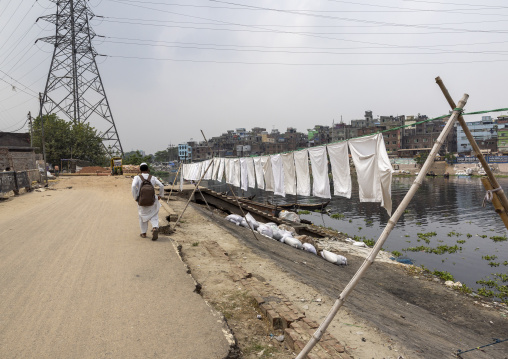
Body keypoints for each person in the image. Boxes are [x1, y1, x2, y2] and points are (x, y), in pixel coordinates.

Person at [131, 163, 164, 240]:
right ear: (148, 169)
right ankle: (155, 228)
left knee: (142, 216)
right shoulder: (153, 177)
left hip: (141, 200)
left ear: (140, 170)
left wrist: (135, 197)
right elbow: (161, 185)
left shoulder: (137, 177)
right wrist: (160, 195)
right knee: (154, 215)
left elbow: (133, 186)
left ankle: (143, 233)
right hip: (152, 200)